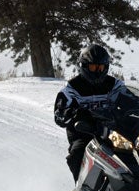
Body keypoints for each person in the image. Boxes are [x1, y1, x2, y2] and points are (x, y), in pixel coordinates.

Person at [53, 44, 134, 182]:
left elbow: (128, 98)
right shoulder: (71, 88)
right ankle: (82, 190)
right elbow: (59, 116)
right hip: (84, 132)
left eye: (101, 68)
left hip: (112, 129)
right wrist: (71, 113)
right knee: (77, 154)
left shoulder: (114, 85)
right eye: (93, 67)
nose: (97, 71)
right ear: (84, 66)